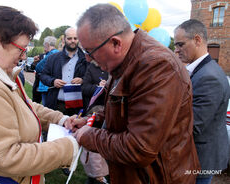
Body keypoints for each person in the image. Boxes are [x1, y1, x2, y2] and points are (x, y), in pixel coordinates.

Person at [72, 4, 200, 184]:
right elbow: (126, 109)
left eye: (89, 51)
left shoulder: (157, 66)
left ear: (116, 43)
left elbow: (140, 148)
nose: (86, 58)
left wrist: (89, 136)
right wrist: (93, 120)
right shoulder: (126, 60)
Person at [0, 6, 79, 184]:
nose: (23, 57)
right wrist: (69, 147)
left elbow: (24, 106)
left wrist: (60, 119)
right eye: (20, 49)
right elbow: (7, 157)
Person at [174, 19, 230, 184]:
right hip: (197, 157)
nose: (176, 50)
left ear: (197, 40)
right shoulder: (200, 70)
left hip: (201, 159)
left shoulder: (209, 76)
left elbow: (194, 124)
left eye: (180, 44)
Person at [40, 27, 87, 116]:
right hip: (57, 104)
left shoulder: (85, 59)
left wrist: (82, 80)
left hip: (77, 106)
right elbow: (43, 75)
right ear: (64, 39)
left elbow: (92, 78)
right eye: (69, 38)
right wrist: (53, 81)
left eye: (75, 38)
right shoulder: (53, 58)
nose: (72, 41)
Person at [81, 61, 109, 184]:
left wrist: (107, 86)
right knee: (94, 147)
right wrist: (98, 87)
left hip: (109, 111)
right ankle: (96, 175)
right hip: (95, 110)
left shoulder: (114, 66)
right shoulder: (91, 68)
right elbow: (84, 87)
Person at [35, 36, 59, 106]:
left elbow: (38, 68)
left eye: (44, 45)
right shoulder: (59, 54)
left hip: (46, 86)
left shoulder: (51, 54)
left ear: (47, 44)